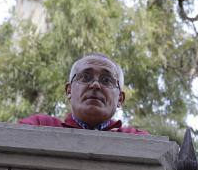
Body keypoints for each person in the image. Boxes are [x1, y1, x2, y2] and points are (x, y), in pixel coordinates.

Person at [19, 53, 149, 134]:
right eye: (85, 77)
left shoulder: (135, 138)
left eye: (106, 80)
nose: (95, 85)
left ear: (120, 98)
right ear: (69, 90)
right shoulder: (40, 126)